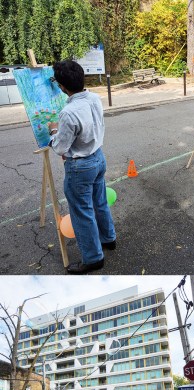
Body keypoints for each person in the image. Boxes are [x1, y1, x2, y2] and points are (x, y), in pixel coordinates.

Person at [47, 60, 116, 274]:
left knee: (82, 212)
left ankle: (93, 258)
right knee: (100, 202)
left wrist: (52, 134)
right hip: (98, 157)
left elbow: (60, 147)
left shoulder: (68, 112)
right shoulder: (94, 98)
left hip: (80, 166)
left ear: (61, 87)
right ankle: (108, 238)